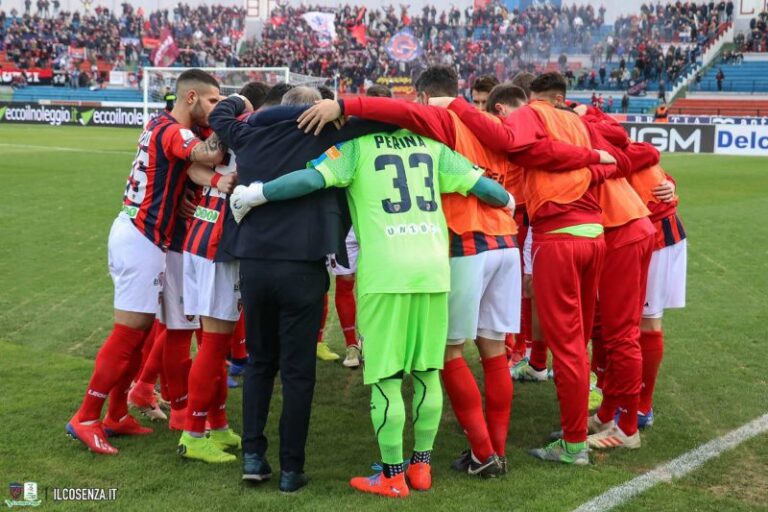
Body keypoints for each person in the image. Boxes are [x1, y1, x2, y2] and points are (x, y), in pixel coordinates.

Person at [295, 68, 614, 474]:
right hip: (506, 244)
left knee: (447, 355)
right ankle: (492, 451)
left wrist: (342, 104)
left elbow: (396, 112)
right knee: (495, 353)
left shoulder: (445, 122)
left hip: (467, 245)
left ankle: (483, 451)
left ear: (427, 98)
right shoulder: (500, 126)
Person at [234, 128, 515, 498]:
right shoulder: (432, 146)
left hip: (386, 275)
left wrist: (255, 194)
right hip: (433, 271)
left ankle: (392, 476)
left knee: (387, 377)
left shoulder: (355, 148)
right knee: (428, 370)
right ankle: (422, 467)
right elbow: (488, 190)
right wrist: (508, 200)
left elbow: (307, 179)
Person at [208, 86, 393, 493]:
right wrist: (344, 109)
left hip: (255, 264)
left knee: (259, 362)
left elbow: (219, 116)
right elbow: (392, 115)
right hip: (303, 266)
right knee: (297, 371)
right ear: (317, 109)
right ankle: (292, 469)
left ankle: (254, 458)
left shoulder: (248, 131)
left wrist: (241, 100)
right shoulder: (326, 132)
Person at [439, 72, 625, 465]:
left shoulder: (530, 126)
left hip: (556, 238)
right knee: (577, 341)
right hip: (594, 236)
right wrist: (587, 164)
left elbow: (513, 144)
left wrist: (454, 104)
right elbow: (619, 157)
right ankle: (587, 423)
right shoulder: (574, 123)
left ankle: (573, 444)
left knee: (566, 345)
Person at [66, 69, 226, 455]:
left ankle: (117, 412)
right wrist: (232, 116)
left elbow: (193, 167)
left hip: (147, 237)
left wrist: (209, 184)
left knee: (138, 337)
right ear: (190, 98)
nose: (216, 109)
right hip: (140, 237)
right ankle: (86, 416)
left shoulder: (165, 127)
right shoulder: (174, 131)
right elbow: (210, 154)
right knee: (128, 333)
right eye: (212, 101)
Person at [176, 82, 270, 463]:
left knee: (209, 345)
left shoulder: (227, 128)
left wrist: (216, 180)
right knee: (215, 347)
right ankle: (193, 434)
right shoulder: (252, 127)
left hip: (198, 236)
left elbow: (195, 164)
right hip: (220, 246)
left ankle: (215, 422)